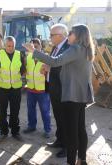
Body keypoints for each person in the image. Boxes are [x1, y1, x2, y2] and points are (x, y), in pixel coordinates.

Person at [23, 24, 95, 165]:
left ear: (78, 35)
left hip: (71, 96)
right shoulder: (86, 50)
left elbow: (56, 61)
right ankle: (82, 159)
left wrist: (34, 51)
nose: (68, 36)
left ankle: (71, 162)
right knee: (80, 129)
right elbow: (67, 68)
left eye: (70, 34)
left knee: (71, 131)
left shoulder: (75, 48)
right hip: (81, 95)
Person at [43, 23, 70, 158]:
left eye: (52, 35)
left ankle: (67, 147)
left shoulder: (68, 47)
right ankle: (60, 140)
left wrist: (50, 68)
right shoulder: (55, 47)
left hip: (62, 89)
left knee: (65, 119)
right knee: (58, 117)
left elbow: (63, 67)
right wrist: (46, 68)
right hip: (54, 87)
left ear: (60, 35)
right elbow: (52, 62)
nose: (50, 37)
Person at [0, 36, 25, 141]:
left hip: (16, 87)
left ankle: (15, 131)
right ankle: (3, 131)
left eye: (12, 46)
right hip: (2, 88)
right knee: (2, 111)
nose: (11, 48)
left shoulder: (20, 54)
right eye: (8, 46)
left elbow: (23, 70)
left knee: (15, 110)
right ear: (4, 45)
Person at [23, 38, 51, 138]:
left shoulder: (46, 57)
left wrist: (47, 71)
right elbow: (25, 70)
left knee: (45, 111)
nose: (34, 48)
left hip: (42, 90)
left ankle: (47, 130)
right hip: (30, 89)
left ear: (41, 47)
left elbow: (51, 71)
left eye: (36, 46)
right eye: (32, 46)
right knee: (30, 109)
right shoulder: (28, 57)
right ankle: (31, 126)